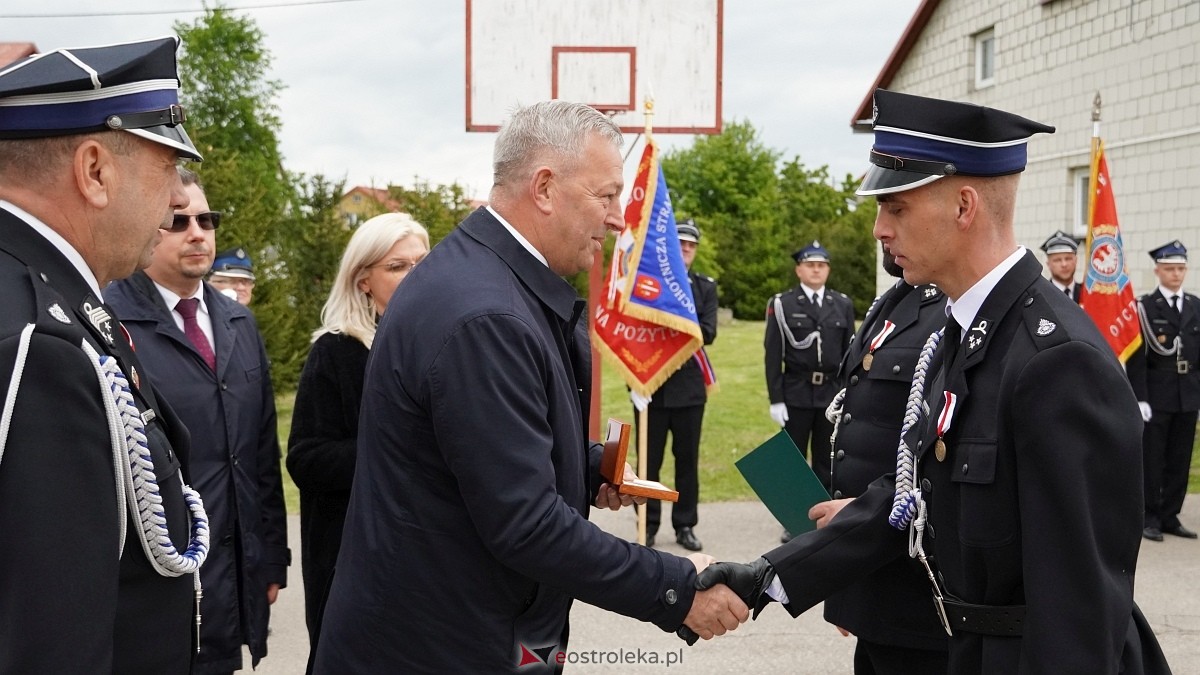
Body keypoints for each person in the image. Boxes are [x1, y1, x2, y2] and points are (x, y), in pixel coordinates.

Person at [697, 89, 1170, 674]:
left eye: (895, 208)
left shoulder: (1054, 360)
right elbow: (914, 501)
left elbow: (1079, 606)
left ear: (964, 206)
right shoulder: (961, 334)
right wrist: (765, 578)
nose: (878, 230)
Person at [313, 100, 748, 673]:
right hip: (438, 647)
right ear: (544, 187)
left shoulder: (488, 280)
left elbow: (475, 452)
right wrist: (676, 588)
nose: (618, 219)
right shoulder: (484, 315)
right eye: (605, 195)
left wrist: (587, 469)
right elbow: (525, 524)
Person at [0, 36, 210, 672]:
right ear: (94, 171)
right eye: (166, 165)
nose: (180, 198)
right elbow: (49, 644)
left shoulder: (44, 297)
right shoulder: (42, 346)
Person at [107, 168, 289, 674]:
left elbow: (258, 453)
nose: (198, 233)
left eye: (206, 220)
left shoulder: (237, 322)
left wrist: (272, 556)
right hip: (157, 577)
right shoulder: (111, 317)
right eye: (178, 220)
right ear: (149, 225)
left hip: (236, 577)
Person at [286, 212, 430, 669]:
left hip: (430, 557)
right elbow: (306, 459)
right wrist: (392, 453)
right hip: (355, 560)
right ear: (363, 279)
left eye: (420, 263)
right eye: (397, 266)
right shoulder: (335, 351)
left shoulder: (441, 341)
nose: (413, 275)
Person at [821, 246, 949, 674]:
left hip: (913, 589)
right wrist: (847, 584)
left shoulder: (951, 309)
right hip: (871, 573)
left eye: (896, 209)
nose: (879, 231)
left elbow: (934, 462)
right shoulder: (893, 299)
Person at [634, 217, 718, 552]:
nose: (686, 249)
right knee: (648, 463)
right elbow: (637, 332)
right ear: (670, 246)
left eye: (691, 245)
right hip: (651, 386)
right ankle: (648, 525)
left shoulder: (704, 287)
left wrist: (674, 318)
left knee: (687, 461)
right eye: (680, 244)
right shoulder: (649, 285)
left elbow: (708, 332)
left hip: (688, 388)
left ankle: (685, 525)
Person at [764, 240, 854, 542]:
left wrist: (846, 393)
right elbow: (772, 354)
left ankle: (825, 515)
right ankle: (794, 519)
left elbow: (848, 356)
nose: (817, 269)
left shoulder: (841, 304)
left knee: (827, 458)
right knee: (795, 460)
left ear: (827, 269)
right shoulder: (783, 304)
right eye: (811, 264)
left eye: (822, 265)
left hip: (830, 393)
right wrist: (776, 398)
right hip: (796, 391)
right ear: (799, 269)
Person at [1127, 240, 1199, 542]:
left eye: (1181, 269)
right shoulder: (1145, 307)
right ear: (1157, 271)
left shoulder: (1196, 305)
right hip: (1157, 393)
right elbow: (1137, 358)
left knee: (1180, 459)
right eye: (1170, 269)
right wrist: (1140, 397)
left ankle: (1171, 515)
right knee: (1153, 459)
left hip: (1188, 393)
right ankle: (1151, 517)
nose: (1176, 274)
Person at [1039, 229, 1082, 302]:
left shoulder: (1086, 294)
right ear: (1048, 264)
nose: (1064, 264)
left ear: (1076, 260)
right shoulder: (1041, 297)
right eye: (1057, 260)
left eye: (1068, 259)